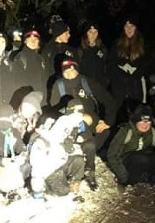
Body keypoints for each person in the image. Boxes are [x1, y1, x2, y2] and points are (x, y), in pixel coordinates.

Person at [49, 58, 115, 190]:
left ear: (77, 70)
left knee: (97, 138)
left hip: (90, 120)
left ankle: (89, 169)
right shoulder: (58, 85)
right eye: (66, 70)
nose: (69, 72)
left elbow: (109, 100)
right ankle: (70, 166)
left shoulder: (86, 82)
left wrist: (107, 121)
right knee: (68, 143)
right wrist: (74, 116)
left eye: (72, 69)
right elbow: (53, 109)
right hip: (67, 121)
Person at [107, 104, 155, 186]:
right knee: (140, 158)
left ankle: (147, 179)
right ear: (136, 121)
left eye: (148, 122)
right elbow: (112, 155)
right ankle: (131, 180)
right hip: (127, 164)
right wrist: (123, 176)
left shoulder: (154, 132)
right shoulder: (125, 131)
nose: (145, 125)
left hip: (143, 162)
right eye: (142, 121)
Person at [27, 109, 86, 201]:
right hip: (49, 172)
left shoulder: (58, 138)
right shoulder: (40, 143)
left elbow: (71, 152)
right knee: (63, 192)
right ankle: (53, 190)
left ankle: (74, 182)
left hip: (60, 165)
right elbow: (37, 173)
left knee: (79, 160)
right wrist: (38, 193)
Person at [108, 17, 147, 125]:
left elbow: (145, 66)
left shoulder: (142, 45)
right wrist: (123, 71)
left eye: (132, 26)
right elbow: (111, 65)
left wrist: (134, 72)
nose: (129, 29)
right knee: (119, 121)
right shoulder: (117, 44)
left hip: (135, 90)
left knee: (136, 120)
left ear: (136, 28)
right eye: (127, 26)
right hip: (119, 90)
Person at [10, 27, 48, 105]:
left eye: (36, 40)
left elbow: (44, 80)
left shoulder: (41, 59)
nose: (33, 42)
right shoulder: (19, 58)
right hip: (25, 100)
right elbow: (17, 82)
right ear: (25, 41)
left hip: (40, 99)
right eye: (30, 39)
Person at [76, 20, 109, 90]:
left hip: (100, 86)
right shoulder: (80, 50)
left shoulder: (103, 49)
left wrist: (105, 81)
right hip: (85, 86)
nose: (93, 35)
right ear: (86, 33)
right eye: (90, 32)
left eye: (95, 32)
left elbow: (106, 66)